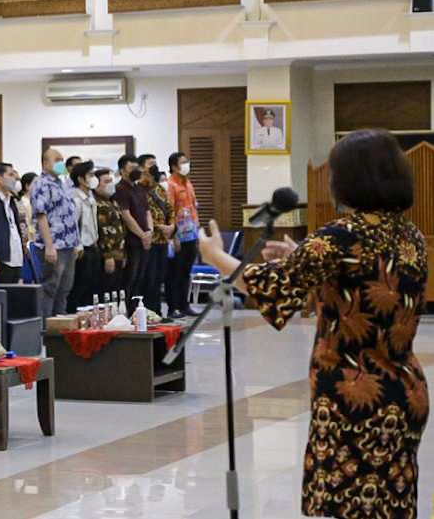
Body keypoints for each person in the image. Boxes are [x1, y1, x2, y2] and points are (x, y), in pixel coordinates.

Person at [200, 129, 428, 519]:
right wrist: (302, 256)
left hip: (355, 397)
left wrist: (215, 256)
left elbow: (270, 287)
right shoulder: (410, 234)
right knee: (390, 503)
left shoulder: (339, 237)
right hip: (405, 391)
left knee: (349, 506)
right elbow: (362, 285)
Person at [30, 148, 81, 318]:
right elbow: (41, 215)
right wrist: (49, 245)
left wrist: (74, 243)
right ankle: (46, 326)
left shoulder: (62, 183)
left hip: (68, 244)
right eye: (56, 159)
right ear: (45, 163)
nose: (61, 163)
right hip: (53, 245)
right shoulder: (41, 184)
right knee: (50, 288)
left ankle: (60, 324)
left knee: (64, 289)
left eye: (62, 160)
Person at [114, 154, 153, 315]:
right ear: (122, 171)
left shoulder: (139, 188)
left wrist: (149, 231)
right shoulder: (120, 189)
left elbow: (147, 211)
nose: (135, 171)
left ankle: (137, 311)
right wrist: (142, 235)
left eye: (136, 168)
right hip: (132, 240)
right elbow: (126, 215)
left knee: (140, 278)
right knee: (130, 278)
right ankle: (126, 313)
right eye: (131, 168)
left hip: (145, 239)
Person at [138, 154, 174, 316]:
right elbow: (142, 215)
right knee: (149, 279)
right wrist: (160, 227)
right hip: (149, 240)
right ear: (141, 168)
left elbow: (170, 209)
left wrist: (171, 226)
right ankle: (148, 313)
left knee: (159, 278)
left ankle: (158, 313)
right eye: (150, 163)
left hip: (163, 240)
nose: (154, 166)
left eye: (155, 163)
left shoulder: (160, 188)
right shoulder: (139, 189)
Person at [165, 152, 198, 316]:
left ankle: (185, 305)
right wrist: (173, 237)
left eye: (187, 162)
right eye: (182, 162)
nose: (186, 165)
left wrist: (197, 232)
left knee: (186, 271)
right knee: (174, 273)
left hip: (191, 234)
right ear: (174, 166)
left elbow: (193, 207)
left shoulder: (188, 183)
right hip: (178, 235)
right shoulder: (171, 185)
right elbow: (169, 211)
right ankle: (173, 307)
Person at [67, 161, 100, 312]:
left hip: (93, 245)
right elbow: (72, 224)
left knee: (91, 286)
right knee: (80, 286)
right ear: (80, 179)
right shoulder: (75, 199)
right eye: (91, 175)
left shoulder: (91, 198)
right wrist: (77, 245)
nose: (94, 178)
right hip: (82, 249)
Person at [93, 168, 126, 299]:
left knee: (115, 292)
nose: (110, 184)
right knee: (105, 292)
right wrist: (108, 256)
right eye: (106, 181)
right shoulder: (98, 204)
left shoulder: (113, 203)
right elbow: (102, 231)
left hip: (119, 253)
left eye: (111, 181)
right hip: (107, 255)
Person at [18, 171, 37, 243]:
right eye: (36, 183)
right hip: (32, 239)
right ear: (27, 186)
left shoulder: (35, 200)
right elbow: (27, 223)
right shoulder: (23, 202)